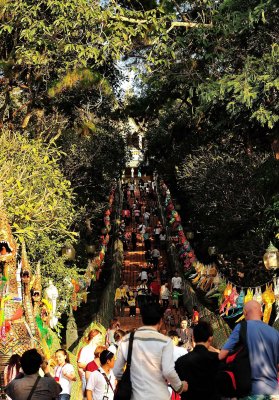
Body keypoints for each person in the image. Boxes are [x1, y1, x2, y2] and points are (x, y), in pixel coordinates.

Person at [113, 303, 188, 400]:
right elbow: (168, 371)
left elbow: (117, 371)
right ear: (161, 321)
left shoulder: (127, 340)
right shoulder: (165, 342)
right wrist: (180, 386)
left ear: (142, 320)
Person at [219, 300, 279, 397]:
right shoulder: (275, 333)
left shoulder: (241, 328)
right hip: (275, 391)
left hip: (252, 392)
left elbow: (221, 356)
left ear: (245, 313)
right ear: (262, 313)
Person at [175, 321, 220, 400]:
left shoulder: (180, 361)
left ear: (193, 338)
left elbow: (175, 384)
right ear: (210, 338)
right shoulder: (216, 359)